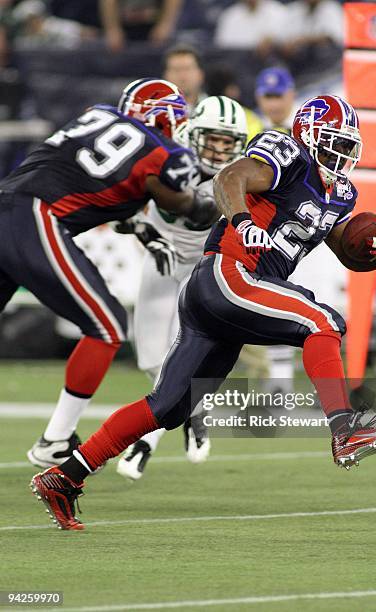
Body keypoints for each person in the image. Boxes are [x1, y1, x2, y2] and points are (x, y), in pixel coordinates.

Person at [30, 94, 376, 530]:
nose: (339, 155)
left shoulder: (342, 193)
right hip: (231, 274)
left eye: (347, 147)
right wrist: (242, 222)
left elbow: (349, 251)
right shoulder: (287, 155)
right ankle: (345, 429)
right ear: (307, 135)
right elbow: (230, 178)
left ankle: (64, 477)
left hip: (226, 297)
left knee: (169, 406)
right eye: (332, 143)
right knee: (323, 321)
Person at [0, 77, 216, 469]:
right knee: (109, 326)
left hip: (8, 201)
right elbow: (177, 201)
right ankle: (56, 439)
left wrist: (136, 220)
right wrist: (207, 206)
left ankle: (56, 439)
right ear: (166, 119)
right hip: (35, 216)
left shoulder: (96, 115)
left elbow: (104, 186)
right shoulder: (164, 153)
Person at [116, 95, 248, 480]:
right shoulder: (168, 158)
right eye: (213, 139)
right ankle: (192, 407)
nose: (219, 149)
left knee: (178, 358)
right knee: (149, 360)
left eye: (228, 142)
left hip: (202, 271)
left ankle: (145, 441)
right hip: (161, 260)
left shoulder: (239, 177)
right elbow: (123, 206)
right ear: (192, 133)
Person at [215, 0, 289, 56]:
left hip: (268, 58)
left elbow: (286, 42)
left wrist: (273, 39)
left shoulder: (278, 11)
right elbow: (222, 46)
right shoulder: (229, 16)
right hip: (236, 59)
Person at [163, 44, 206, 111]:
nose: (182, 76)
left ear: (200, 74)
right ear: (166, 76)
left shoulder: (216, 109)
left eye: (187, 69)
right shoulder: (154, 114)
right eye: (176, 70)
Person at [255, 67, 297, 134]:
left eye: (278, 96)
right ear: (258, 98)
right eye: (268, 97)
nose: (274, 104)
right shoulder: (252, 126)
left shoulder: (307, 125)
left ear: (292, 95)